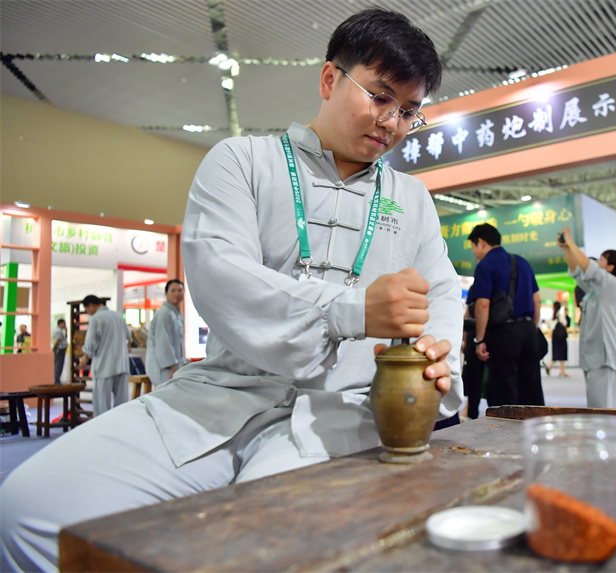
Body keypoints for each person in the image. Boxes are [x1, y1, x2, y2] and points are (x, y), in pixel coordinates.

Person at [0, 9, 462, 572]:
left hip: (345, 410)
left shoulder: (411, 198)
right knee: (31, 505)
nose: (392, 121)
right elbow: (222, 273)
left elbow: (440, 294)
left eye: (409, 111)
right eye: (380, 96)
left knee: (264, 542)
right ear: (328, 79)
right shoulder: (243, 161)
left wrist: (438, 356)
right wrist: (349, 310)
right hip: (219, 394)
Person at [468, 223, 544, 407]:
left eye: (473, 247)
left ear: (481, 242)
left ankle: (509, 434)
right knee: (532, 386)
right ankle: (536, 429)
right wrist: (531, 329)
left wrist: (479, 340)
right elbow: (537, 300)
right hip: (528, 330)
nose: (474, 252)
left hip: (504, 333)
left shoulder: (485, 264)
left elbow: (483, 304)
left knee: (505, 388)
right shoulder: (521, 262)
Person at [557, 230, 616, 407]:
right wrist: (566, 249)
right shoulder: (595, 289)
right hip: (593, 355)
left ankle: (608, 434)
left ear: (611, 267)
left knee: (603, 406)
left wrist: (572, 243)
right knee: (596, 404)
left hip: (603, 355)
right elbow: (576, 271)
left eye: (602, 260)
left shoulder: (611, 284)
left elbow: (589, 267)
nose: (597, 262)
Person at [79, 295, 131, 416]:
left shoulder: (96, 319)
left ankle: (103, 431)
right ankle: (121, 429)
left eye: (87, 310)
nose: (88, 313)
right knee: (122, 403)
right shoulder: (118, 316)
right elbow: (128, 336)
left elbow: (91, 343)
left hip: (104, 366)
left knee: (102, 405)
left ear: (91, 305)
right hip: (121, 365)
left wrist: (85, 358)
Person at [145, 279, 187, 388]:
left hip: (174, 365)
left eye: (180, 290)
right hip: (164, 367)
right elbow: (164, 342)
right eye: (173, 291)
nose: (177, 293)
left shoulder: (177, 314)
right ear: (166, 293)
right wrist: (172, 366)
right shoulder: (164, 313)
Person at [462, 284, 486, 419]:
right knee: (474, 378)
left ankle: (471, 411)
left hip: (476, 335)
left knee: (474, 378)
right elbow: (468, 314)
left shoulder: (478, 285)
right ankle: (470, 410)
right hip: (477, 335)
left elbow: (469, 313)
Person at [545, 301, 570, 377]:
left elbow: (549, 324)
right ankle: (561, 370)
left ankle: (553, 368)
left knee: (556, 352)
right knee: (561, 352)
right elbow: (565, 323)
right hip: (561, 336)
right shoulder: (560, 314)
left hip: (555, 336)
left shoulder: (553, 314)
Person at [51, 319, 68, 384]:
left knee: (60, 364)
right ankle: (57, 380)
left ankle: (57, 379)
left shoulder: (61, 330)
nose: (65, 325)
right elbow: (57, 341)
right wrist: (54, 348)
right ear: (60, 324)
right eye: (64, 324)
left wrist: (66, 331)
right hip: (59, 349)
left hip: (61, 349)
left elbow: (65, 337)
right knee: (58, 364)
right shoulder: (58, 331)